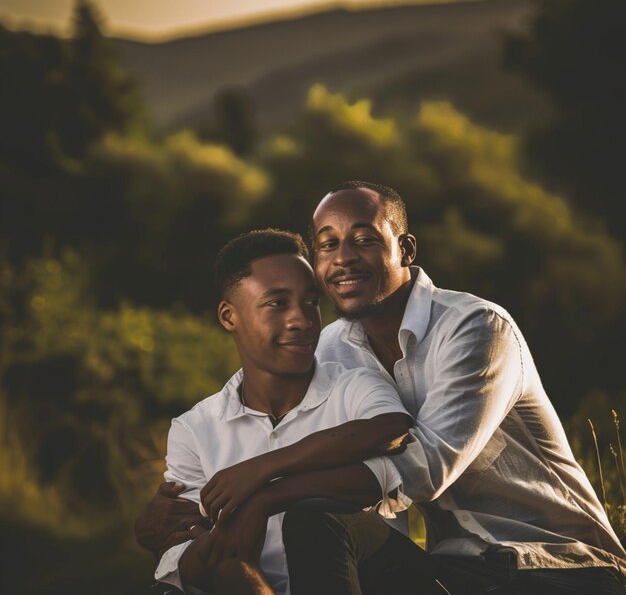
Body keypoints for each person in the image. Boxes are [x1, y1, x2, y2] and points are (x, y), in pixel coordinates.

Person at [137, 182, 626, 594]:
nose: (343, 258)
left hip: (554, 564)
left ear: (405, 250)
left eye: (364, 239)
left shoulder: (475, 328)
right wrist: (182, 508)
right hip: (454, 567)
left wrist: (266, 488)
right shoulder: (329, 346)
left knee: (314, 515)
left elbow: (426, 466)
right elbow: (273, 418)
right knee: (320, 524)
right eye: (327, 244)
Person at [151, 227, 422, 595]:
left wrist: (262, 473)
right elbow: (186, 553)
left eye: (311, 302)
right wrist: (198, 547)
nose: (302, 320)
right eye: (277, 303)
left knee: (313, 516)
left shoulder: (356, 386)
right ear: (230, 317)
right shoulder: (193, 428)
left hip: (374, 583)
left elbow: (393, 429)